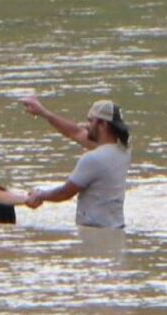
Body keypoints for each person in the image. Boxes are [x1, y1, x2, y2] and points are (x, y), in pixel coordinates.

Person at [20, 97, 131, 228]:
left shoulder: (93, 159)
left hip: (94, 232)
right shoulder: (124, 150)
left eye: (91, 120)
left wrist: (40, 195)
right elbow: (76, 132)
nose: (86, 125)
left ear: (103, 125)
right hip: (116, 228)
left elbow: (64, 193)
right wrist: (44, 113)